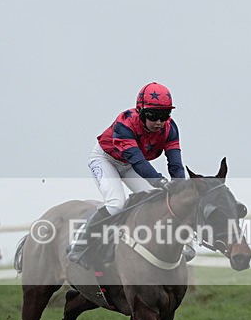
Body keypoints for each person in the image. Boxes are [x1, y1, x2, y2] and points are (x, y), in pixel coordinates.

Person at [67, 82, 191, 268]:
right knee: (117, 204)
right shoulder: (125, 124)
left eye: (164, 115)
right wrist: (160, 181)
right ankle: (80, 244)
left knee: (159, 199)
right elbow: (139, 162)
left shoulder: (170, 128)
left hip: (128, 164)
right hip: (105, 159)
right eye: (153, 116)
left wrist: (179, 185)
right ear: (140, 112)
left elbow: (175, 161)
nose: (159, 122)